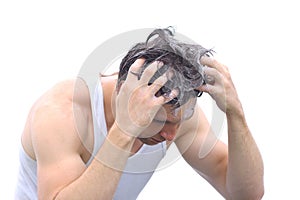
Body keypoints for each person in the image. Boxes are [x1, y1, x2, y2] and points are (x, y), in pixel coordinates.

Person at [15, 28, 264, 200]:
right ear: (124, 91)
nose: (169, 135)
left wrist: (236, 114)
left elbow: (247, 194)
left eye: (178, 121)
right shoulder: (61, 113)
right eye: (157, 121)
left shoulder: (174, 115)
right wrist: (125, 129)